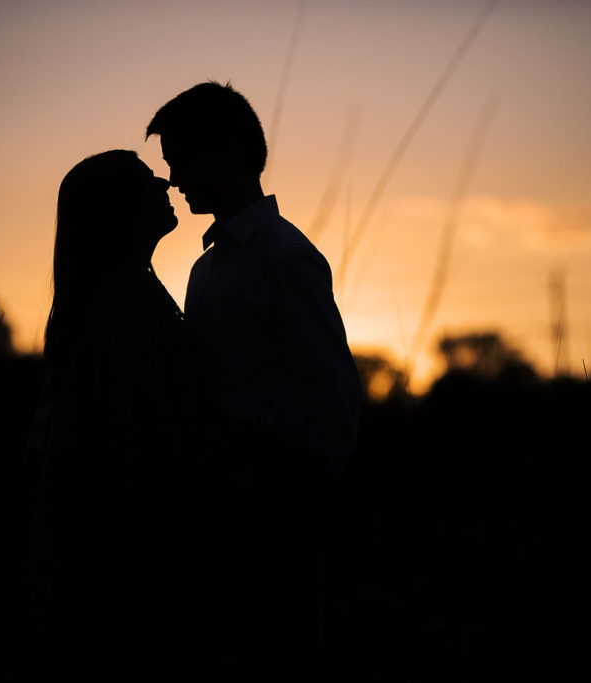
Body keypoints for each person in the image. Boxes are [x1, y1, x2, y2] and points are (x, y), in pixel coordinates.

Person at [146, 81, 363, 679]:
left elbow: (330, 402)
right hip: (217, 522)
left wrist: (282, 501)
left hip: (273, 526)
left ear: (232, 154)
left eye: (184, 160)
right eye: (170, 165)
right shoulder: (205, 267)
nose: (174, 178)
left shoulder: (285, 259)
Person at [23, 150, 193, 676]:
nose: (165, 184)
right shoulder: (126, 303)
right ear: (119, 211)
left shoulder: (112, 297)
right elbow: (142, 449)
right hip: (128, 577)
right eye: (147, 182)